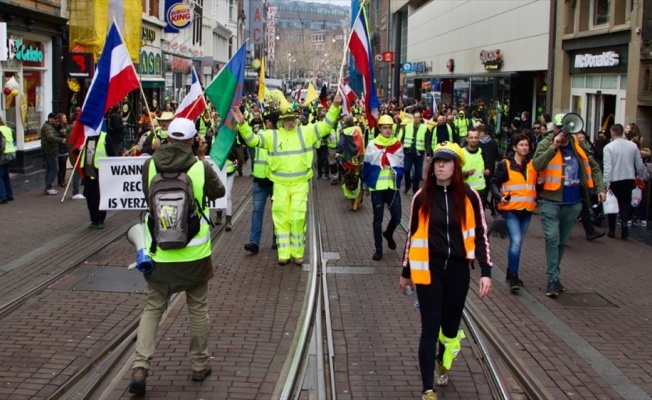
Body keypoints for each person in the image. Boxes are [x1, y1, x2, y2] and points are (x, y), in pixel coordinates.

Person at [129, 118, 224, 396]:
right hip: (194, 255)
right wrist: (203, 160)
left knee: (152, 309)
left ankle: (140, 366)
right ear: (195, 140)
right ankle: (199, 364)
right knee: (197, 308)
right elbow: (219, 193)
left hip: (158, 254)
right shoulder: (199, 166)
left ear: (167, 138)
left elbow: (147, 197)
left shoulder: (149, 165)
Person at [400, 142, 492, 400]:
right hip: (429, 270)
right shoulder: (422, 196)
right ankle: (427, 388)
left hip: (459, 270)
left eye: (446, 161)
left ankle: (443, 359)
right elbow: (411, 236)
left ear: (456, 167)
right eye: (437, 161)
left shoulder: (470, 196)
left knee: (450, 328)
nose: (440, 165)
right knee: (430, 327)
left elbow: (481, 235)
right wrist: (406, 272)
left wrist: (486, 271)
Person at [234, 94, 342, 265]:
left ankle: (298, 253)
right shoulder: (272, 136)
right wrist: (242, 124)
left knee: (297, 217)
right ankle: (284, 253)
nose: (290, 122)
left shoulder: (306, 132)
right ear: (281, 121)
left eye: (292, 118)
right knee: (281, 218)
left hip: (300, 184)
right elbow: (252, 141)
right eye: (287, 119)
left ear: (296, 119)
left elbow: (326, 126)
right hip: (280, 185)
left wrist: (335, 106)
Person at [533, 114, 606, 298]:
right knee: (552, 238)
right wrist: (554, 146)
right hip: (551, 201)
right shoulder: (545, 143)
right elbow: (537, 164)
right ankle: (552, 278)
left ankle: (555, 276)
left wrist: (600, 188)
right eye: (559, 128)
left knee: (562, 242)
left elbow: (593, 166)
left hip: (573, 203)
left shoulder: (577, 144)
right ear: (554, 128)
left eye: (565, 129)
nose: (563, 132)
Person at [490, 133, 538, 291]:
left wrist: (541, 184)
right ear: (514, 147)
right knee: (516, 241)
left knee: (518, 242)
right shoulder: (505, 164)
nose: (525, 147)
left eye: (526, 145)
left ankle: (511, 273)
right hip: (511, 209)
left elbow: (533, 186)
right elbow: (494, 183)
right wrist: (500, 197)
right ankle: (513, 276)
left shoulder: (532, 164)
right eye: (521, 145)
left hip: (527, 209)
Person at [362, 114, 404, 261]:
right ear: (379, 129)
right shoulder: (372, 145)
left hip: (392, 187)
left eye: (389, 128)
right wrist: (365, 185)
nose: (387, 130)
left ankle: (389, 233)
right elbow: (367, 165)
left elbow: (400, 164)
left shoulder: (397, 144)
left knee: (397, 217)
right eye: (385, 128)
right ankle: (378, 249)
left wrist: (392, 166)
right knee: (377, 220)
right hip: (377, 188)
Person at [244, 110, 279, 254]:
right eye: (266, 119)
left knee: (278, 212)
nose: (266, 121)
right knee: (257, 212)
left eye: (269, 119)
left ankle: (277, 240)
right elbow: (249, 139)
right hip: (259, 181)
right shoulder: (261, 135)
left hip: (276, 180)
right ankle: (254, 242)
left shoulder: (281, 137)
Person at [603, 123, 645, 239]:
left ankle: (612, 230)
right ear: (622, 132)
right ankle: (625, 223)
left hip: (614, 179)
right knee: (625, 203)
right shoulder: (632, 146)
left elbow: (608, 166)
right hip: (628, 178)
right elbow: (639, 163)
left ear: (612, 132)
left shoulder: (609, 147)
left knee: (612, 203)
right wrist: (640, 177)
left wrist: (606, 182)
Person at [79, 129, 115, 228]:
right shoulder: (86, 138)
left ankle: (100, 219)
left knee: (99, 197)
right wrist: (80, 149)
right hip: (87, 173)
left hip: (100, 173)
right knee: (89, 196)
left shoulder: (105, 137)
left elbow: (112, 155)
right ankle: (93, 219)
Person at [398, 110, 427, 195]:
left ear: (421, 118)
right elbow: (402, 139)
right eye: (415, 117)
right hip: (408, 153)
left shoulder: (424, 128)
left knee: (417, 173)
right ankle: (407, 185)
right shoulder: (408, 127)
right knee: (406, 170)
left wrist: (428, 153)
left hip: (419, 153)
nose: (416, 119)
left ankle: (415, 188)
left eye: (418, 117)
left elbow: (427, 141)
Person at [41, 113, 65, 195]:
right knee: (55, 169)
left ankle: (48, 187)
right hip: (50, 151)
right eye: (55, 119)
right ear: (50, 119)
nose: (56, 121)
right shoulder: (48, 127)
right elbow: (50, 137)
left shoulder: (49, 127)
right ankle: (48, 187)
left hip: (49, 150)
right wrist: (61, 140)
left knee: (49, 169)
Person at [0, 116, 15, 204]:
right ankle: (10, 195)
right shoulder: (7, 128)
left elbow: (1, 145)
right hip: (10, 154)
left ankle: (3, 197)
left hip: (2, 155)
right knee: (5, 175)